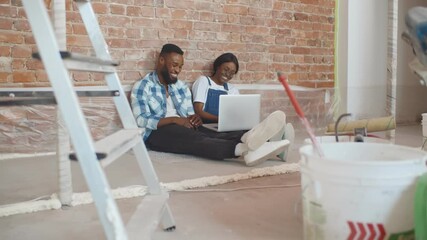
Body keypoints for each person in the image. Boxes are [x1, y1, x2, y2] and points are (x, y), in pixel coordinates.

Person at [130, 43, 289, 166]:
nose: (177, 70)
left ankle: (255, 140)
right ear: (161, 60)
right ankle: (244, 150)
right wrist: (173, 120)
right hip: (157, 133)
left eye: (180, 66)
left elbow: (189, 113)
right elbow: (141, 120)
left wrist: (194, 118)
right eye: (174, 64)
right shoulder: (142, 86)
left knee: (211, 134)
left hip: (181, 126)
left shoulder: (180, 87)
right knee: (196, 139)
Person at [191, 52, 295, 161]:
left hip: (228, 125)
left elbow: (237, 112)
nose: (228, 74)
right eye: (226, 69)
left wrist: (240, 120)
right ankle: (277, 143)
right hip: (209, 125)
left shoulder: (231, 89)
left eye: (232, 73)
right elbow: (199, 111)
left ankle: (275, 141)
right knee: (241, 135)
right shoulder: (204, 82)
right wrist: (222, 120)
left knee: (247, 129)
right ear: (217, 66)